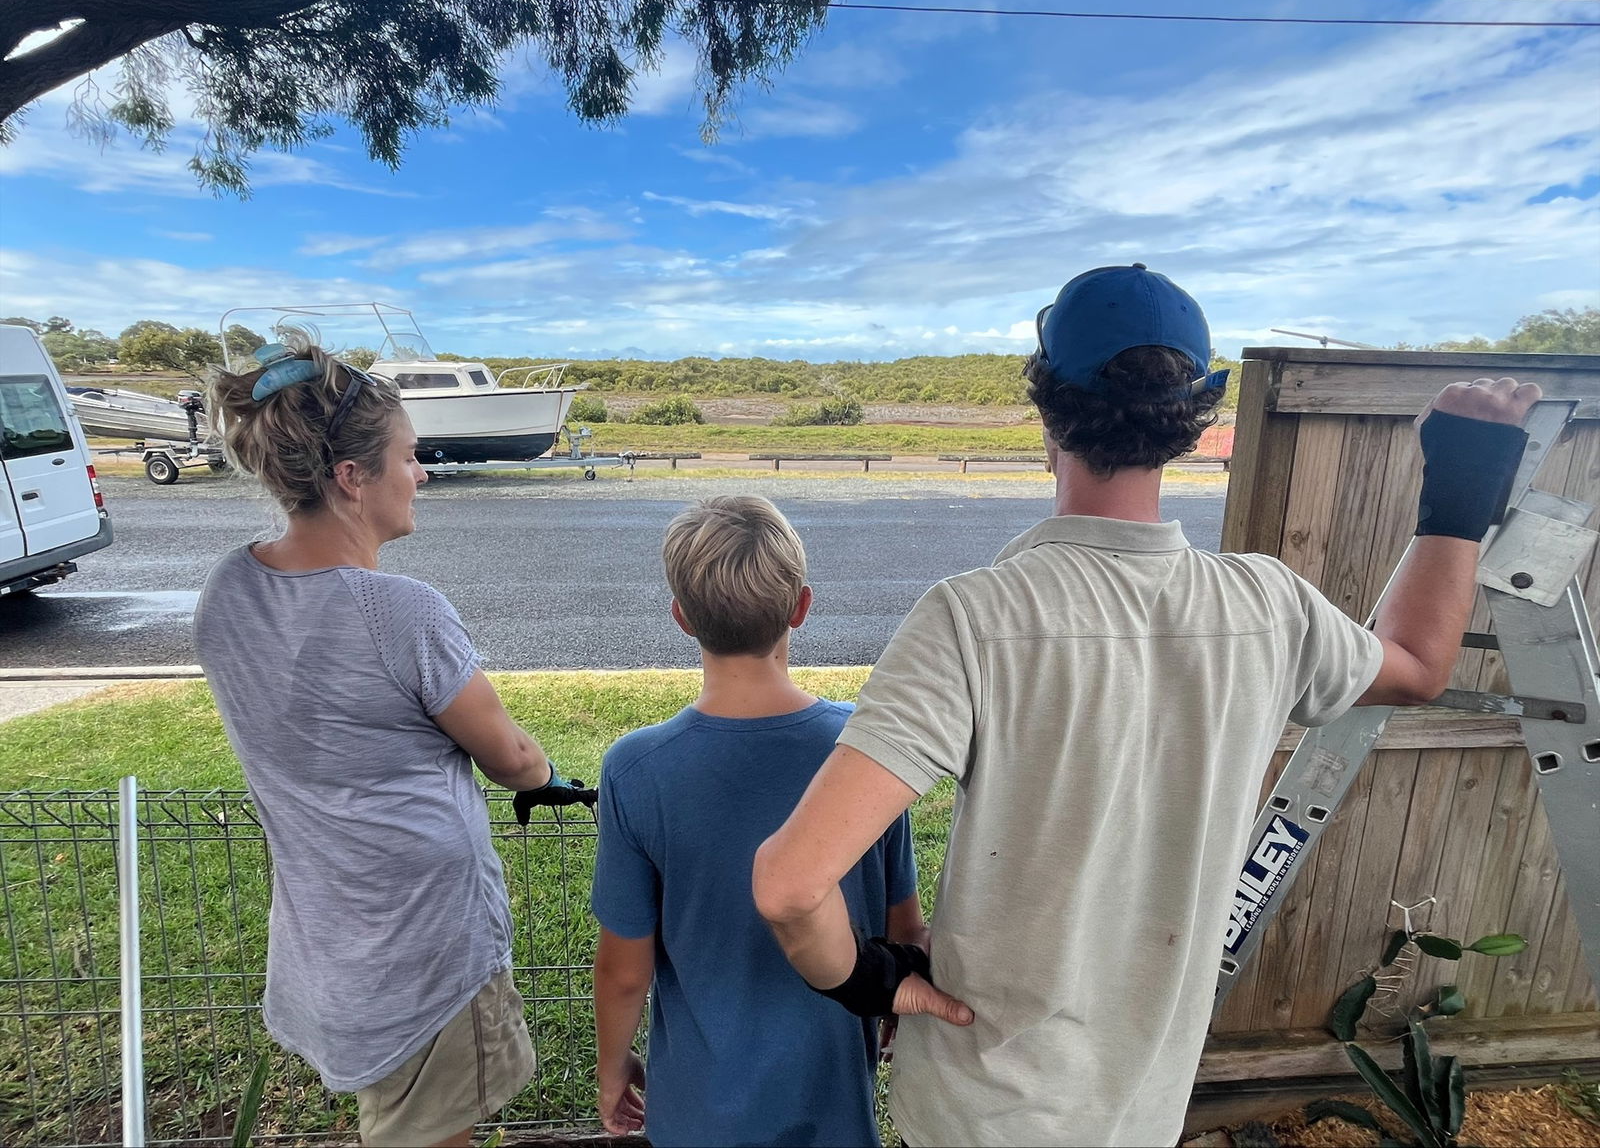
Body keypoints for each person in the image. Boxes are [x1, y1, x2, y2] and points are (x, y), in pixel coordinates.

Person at [751, 263, 1542, 1146]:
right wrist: (1464, 485)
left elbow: (789, 886)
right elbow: (1419, 665)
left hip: (981, 1114)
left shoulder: (975, 618)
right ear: (1196, 414)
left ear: (1047, 411)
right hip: (1142, 1110)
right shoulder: (1266, 607)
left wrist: (874, 981)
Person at [193, 336, 588, 1147]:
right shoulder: (399, 610)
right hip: (423, 948)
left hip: (328, 936)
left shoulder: (228, 592)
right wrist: (546, 770)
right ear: (351, 478)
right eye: (409, 458)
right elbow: (512, 759)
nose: (423, 474)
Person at [590, 496, 924, 1147]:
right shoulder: (865, 747)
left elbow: (624, 968)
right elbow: (904, 926)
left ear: (682, 618)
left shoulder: (635, 770)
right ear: (801, 606)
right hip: (832, 1107)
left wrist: (611, 1069)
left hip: (697, 1116)